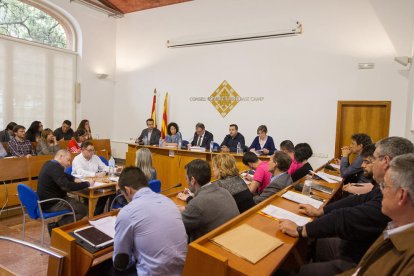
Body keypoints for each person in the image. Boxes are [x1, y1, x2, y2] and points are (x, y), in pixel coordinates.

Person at [278, 136, 414, 275]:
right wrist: (321, 211)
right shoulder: (396, 224)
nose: (364, 165)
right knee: (318, 242)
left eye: (385, 186)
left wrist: (301, 230)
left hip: (357, 256)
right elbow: (359, 201)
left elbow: (348, 217)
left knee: (306, 270)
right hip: (360, 254)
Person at [340, 153, 414, 276]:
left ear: (402, 196)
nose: (381, 190)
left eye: (384, 185)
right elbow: (361, 269)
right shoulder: (394, 225)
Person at [112, 167, 188, 275]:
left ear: (128, 190)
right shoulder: (168, 201)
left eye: (124, 195)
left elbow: (120, 263)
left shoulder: (127, 212)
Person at [180, 159, 239, 242]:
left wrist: (175, 211)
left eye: (186, 178)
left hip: (208, 248)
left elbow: (177, 228)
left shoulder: (196, 204)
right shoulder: (224, 191)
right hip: (231, 238)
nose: (186, 181)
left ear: (192, 180)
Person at [37, 150, 89, 227]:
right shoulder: (56, 167)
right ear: (61, 156)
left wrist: (74, 179)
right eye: (68, 160)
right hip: (52, 203)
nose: (69, 163)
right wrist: (87, 184)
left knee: (76, 204)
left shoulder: (49, 163)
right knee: (83, 210)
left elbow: (63, 175)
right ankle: (56, 226)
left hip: (46, 201)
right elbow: (66, 186)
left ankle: (60, 226)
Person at [72, 141, 114, 215]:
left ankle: (97, 213)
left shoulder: (95, 157)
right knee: (92, 194)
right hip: (82, 184)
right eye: (89, 150)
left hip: (95, 182)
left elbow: (104, 167)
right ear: (82, 150)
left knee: (109, 190)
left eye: (93, 150)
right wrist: (95, 174)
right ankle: (89, 213)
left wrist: (115, 169)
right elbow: (80, 172)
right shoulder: (77, 159)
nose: (92, 152)